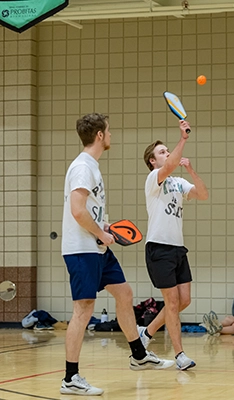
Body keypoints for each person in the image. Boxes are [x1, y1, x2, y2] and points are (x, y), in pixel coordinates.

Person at [61, 113, 174, 396]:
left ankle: (138, 354)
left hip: (98, 246)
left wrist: (103, 227)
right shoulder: (83, 167)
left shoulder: (92, 167)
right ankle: (70, 378)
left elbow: (88, 210)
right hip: (82, 249)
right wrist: (100, 234)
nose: (111, 135)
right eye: (108, 131)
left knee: (124, 294)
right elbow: (76, 210)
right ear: (99, 135)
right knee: (83, 309)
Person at [139, 120, 209, 370]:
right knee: (171, 303)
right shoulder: (153, 179)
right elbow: (169, 166)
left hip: (178, 248)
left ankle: (146, 333)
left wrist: (190, 170)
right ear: (152, 161)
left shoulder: (178, 182)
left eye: (168, 150)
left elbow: (202, 194)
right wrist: (183, 139)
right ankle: (180, 355)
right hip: (159, 247)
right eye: (162, 152)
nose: (167, 154)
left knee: (184, 300)